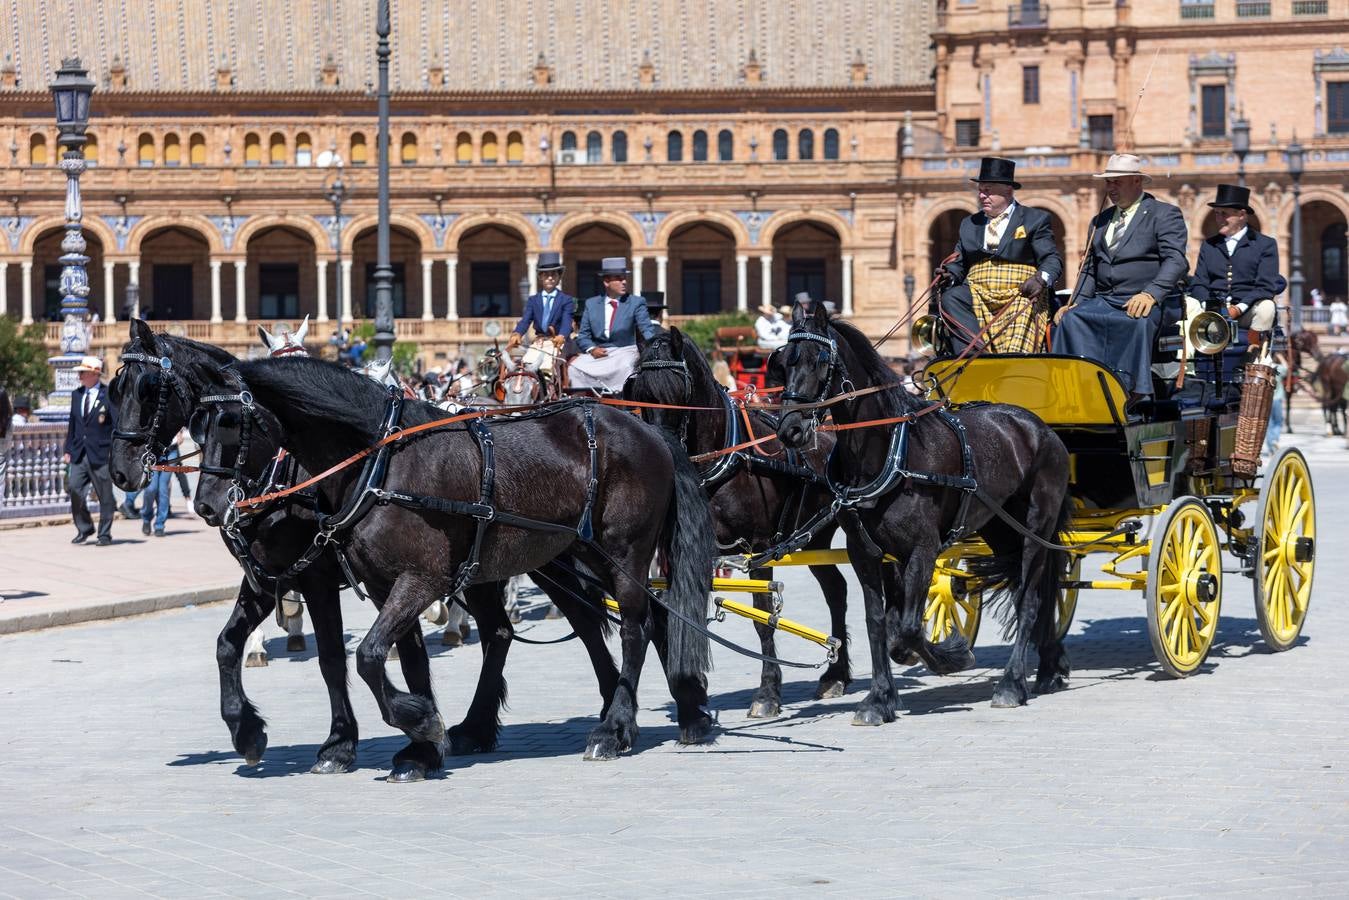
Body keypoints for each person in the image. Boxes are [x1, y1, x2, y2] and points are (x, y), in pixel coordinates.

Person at [1054, 153, 1189, 398]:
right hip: (1105, 299)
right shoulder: (1100, 221)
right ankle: (1074, 388)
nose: (1111, 188)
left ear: (1137, 182)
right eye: (1108, 182)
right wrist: (1074, 303)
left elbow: (1176, 261)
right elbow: (1089, 268)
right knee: (1069, 320)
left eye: (1117, 181)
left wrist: (1151, 294)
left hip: (1146, 299)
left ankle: (1131, 392)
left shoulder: (1164, 214)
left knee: (1136, 320)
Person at [938, 157, 1063, 354]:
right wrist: (950, 274)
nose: (982, 196)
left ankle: (1014, 359)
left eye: (987, 190)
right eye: (980, 190)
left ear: (1007, 190)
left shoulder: (1035, 219)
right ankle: (973, 355)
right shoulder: (969, 224)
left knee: (1025, 304)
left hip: (1020, 291)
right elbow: (960, 261)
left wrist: (1041, 279)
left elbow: (1051, 259)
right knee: (951, 297)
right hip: (978, 290)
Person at [1187, 184, 1285, 352]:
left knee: (1267, 307)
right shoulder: (1209, 245)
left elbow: (1265, 287)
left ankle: (1254, 356)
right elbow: (1199, 283)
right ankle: (1187, 368)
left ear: (1241, 214)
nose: (1219, 219)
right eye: (1217, 214)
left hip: (1247, 311)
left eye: (1224, 214)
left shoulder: (1265, 244)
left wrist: (1238, 308)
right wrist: (1208, 307)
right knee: (1187, 304)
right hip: (1213, 311)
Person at [571, 257, 657, 392]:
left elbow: (646, 329)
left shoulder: (636, 302)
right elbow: (583, 336)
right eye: (618, 278)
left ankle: (623, 403)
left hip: (626, 352)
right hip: (599, 355)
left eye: (624, 278)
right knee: (574, 368)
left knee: (628, 366)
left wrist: (654, 345)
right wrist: (592, 349)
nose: (624, 282)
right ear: (606, 282)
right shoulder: (592, 304)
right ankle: (585, 404)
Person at [64, 356, 117, 546]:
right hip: (79, 452)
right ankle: (84, 527)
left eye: (83, 372)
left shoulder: (108, 394)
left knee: (105, 496)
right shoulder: (77, 394)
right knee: (74, 489)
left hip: (101, 453)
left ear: (95, 374)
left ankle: (104, 534)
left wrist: (113, 451)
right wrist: (68, 448)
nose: (79, 376)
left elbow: (115, 425)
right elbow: (72, 424)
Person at [507, 251, 574, 379]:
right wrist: (517, 333)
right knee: (526, 366)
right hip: (539, 342)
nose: (550, 278)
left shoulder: (566, 300)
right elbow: (525, 320)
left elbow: (566, 321)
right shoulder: (533, 300)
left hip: (558, 343)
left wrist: (562, 335)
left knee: (546, 367)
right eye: (546, 274)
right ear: (540, 277)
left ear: (559, 277)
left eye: (553, 274)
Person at [141, 427, 186, 537]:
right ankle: (146, 518)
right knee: (151, 488)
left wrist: (181, 432)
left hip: (171, 450)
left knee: (163, 489)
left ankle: (160, 525)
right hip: (154, 450)